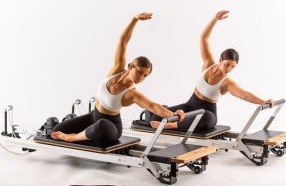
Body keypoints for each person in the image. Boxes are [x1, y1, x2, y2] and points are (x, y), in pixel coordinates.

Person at [51, 12, 185, 143]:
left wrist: (174, 115)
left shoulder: (132, 94)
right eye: (140, 72)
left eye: (145, 76)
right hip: (93, 117)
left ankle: (71, 138)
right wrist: (134, 19)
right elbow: (123, 41)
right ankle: (85, 133)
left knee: (101, 125)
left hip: (111, 128)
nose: (141, 78)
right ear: (131, 66)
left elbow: (153, 106)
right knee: (55, 131)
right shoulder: (117, 69)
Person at [150, 10, 274, 131]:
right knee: (157, 115)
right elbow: (204, 38)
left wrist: (263, 102)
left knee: (207, 118)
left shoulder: (227, 83)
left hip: (207, 113)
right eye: (227, 64)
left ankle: (171, 126)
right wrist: (215, 20)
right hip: (189, 106)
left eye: (233, 66)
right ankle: (179, 120)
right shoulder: (208, 63)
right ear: (220, 60)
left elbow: (245, 94)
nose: (229, 69)